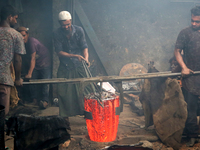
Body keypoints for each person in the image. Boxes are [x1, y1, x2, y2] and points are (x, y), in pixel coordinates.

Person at [53, 11, 93, 118]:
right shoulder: (57, 33)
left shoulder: (79, 30)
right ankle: (65, 117)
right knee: (63, 92)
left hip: (79, 65)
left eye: (67, 24)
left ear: (70, 21)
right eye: (63, 25)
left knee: (87, 89)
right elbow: (59, 52)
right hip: (65, 66)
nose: (66, 27)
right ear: (59, 24)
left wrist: (86, 58)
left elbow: (84, 46)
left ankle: (88, 114)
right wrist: (74, 56)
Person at [174, 6, 200, 147]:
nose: (194, 24)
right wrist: (183, 67)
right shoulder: (185, 33)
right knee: (190, 108)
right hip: (191, 76)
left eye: (197, 21)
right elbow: (177, 51)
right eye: (192, 21)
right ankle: (192, 136)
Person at [16, 27, 51, 109]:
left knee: (45, 82)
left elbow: (33, 58)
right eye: (20, 36)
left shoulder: (31, 42)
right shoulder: (21, 44)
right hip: (36, 64)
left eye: (24, 35)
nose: (23, 38)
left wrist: (29, 73)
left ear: (27, 35)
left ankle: (45, 101)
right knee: (32, 82)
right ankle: (34, 100)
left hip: (44, 62)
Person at [0, 5, 25, 115]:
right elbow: (17, 60)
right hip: (4, 79)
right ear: (9, 17)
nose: (15, 20)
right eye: (15, 18)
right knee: (2, 112)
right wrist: (18, 78)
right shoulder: (15, 35)